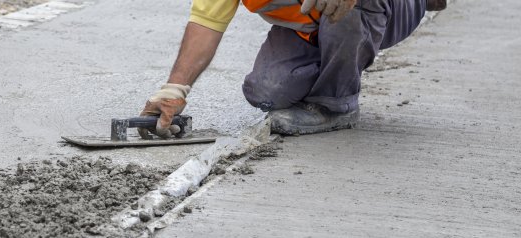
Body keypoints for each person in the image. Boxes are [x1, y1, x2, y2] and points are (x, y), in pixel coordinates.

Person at [137, 0, 447, 139]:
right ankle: (330, 61)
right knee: (267, 91)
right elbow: (206, 24)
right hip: (310, 27)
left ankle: (335, 104)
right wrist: (175, 89)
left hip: (385, 9)